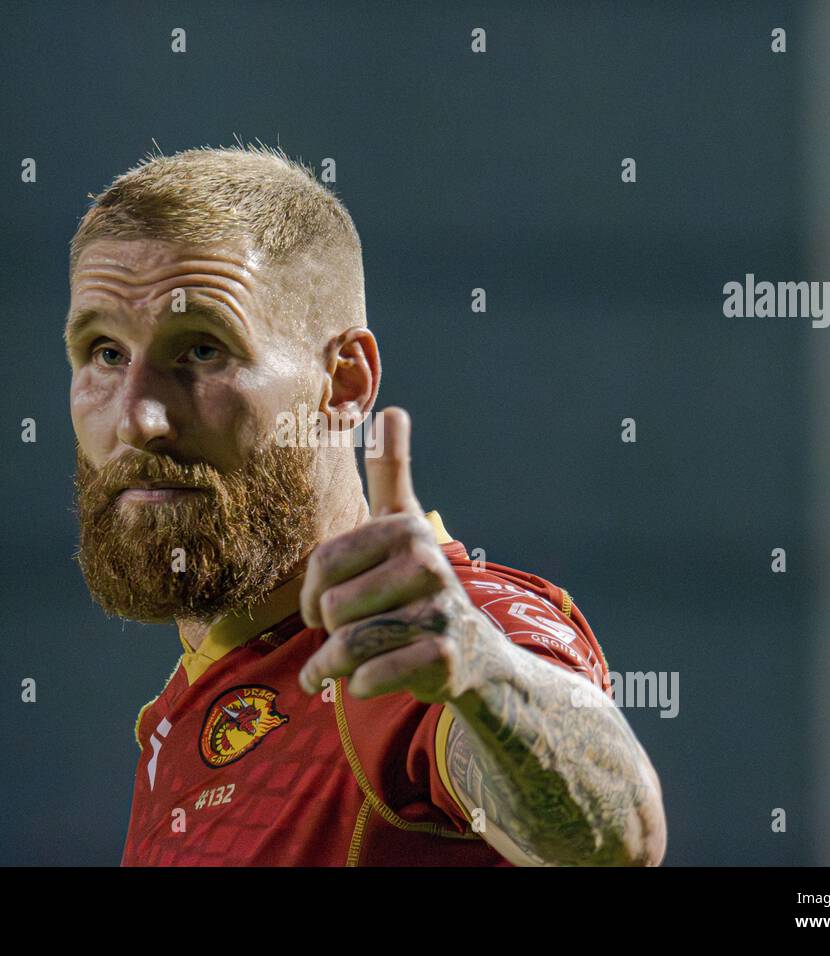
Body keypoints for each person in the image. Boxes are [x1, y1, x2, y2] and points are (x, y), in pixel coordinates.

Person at [67, 143, 666, 866]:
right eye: (104, 353)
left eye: (202, 351)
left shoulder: (426, 646)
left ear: (344, 384)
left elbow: (614, 837)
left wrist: (481, 671)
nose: (138, 419)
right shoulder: (183, 722)